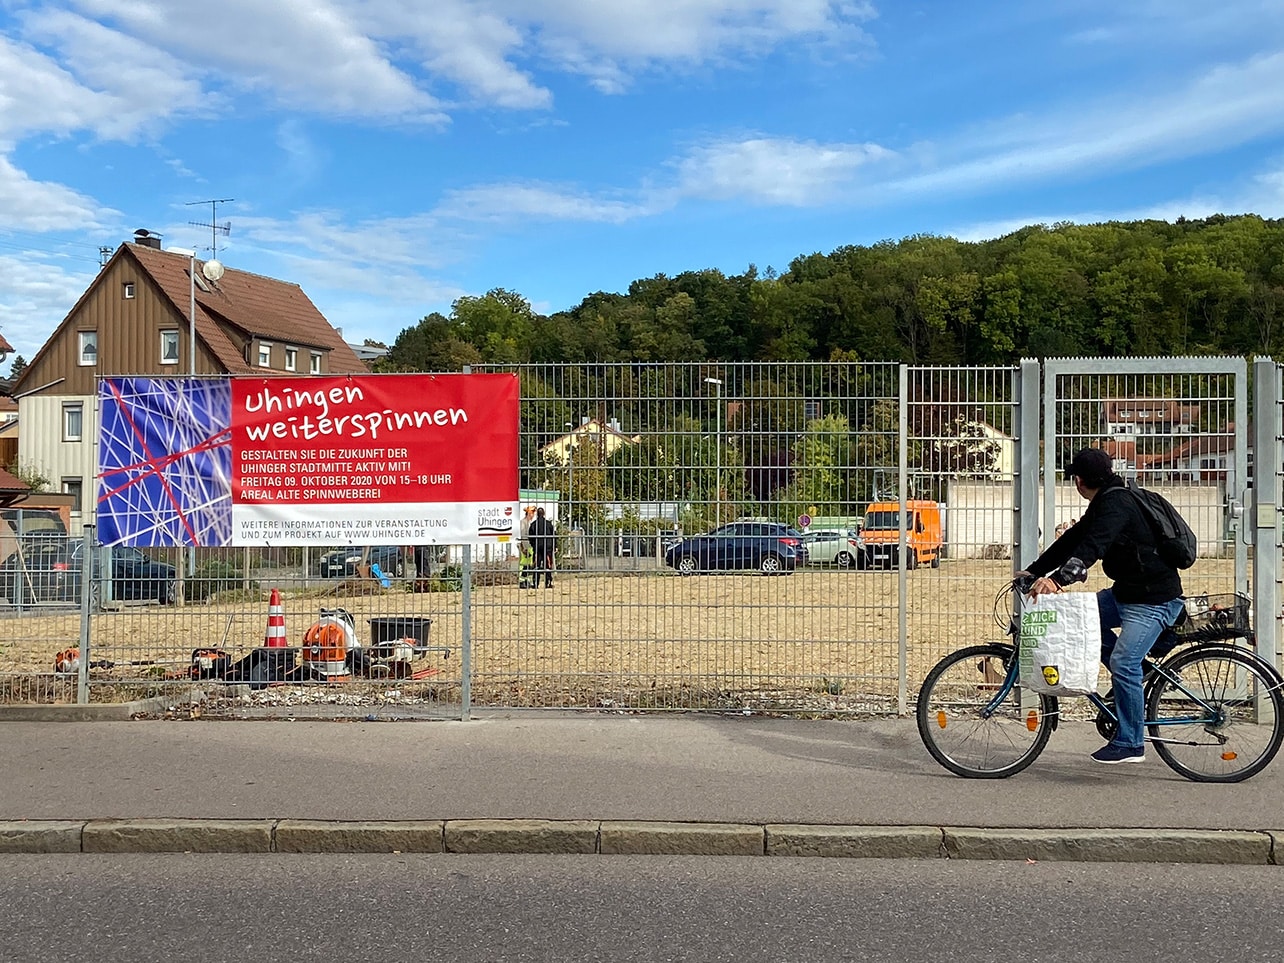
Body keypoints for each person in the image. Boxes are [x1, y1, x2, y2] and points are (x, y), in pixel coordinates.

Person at [1020, 447, 1185, 766]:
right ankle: (1143, 671)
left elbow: (1092, 548)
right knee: (1075, 623)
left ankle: (1131, 742)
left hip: (1154, 600)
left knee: (1124, 662)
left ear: (1079, 481)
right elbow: (1073, 541)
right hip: (1127, 593)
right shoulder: (1108, 499)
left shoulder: (1116, 503)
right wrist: (1035, 571)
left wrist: (1057, 581)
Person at [528, 507, 556, 588]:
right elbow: (553, 535)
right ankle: (548, 582)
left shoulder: (534, 524)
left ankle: (536, 583)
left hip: (537, 548)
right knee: (548, 565)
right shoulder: (548, 524)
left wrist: (533, 545)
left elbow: (530, 537)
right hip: (547, 548)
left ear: (537, 514)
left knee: (536, 565)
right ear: (544, 514)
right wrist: (554, 546)